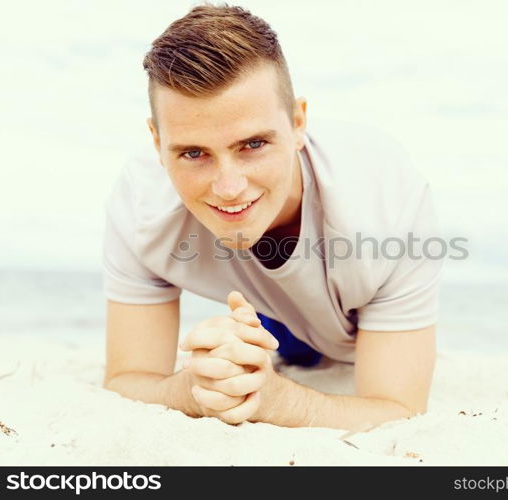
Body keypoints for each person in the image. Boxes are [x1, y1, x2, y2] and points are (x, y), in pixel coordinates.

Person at [102, 3, 442, 431]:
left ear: (298, 122)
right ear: (156, 140)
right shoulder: (141, 203)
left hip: (346, 318)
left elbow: (398, 408)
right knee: (254, 342)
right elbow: (124, 380)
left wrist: (279, 401)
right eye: (193, 153)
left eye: (253, 145)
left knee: (306, 349)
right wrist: (192, 390)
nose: (229, 187)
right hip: (256, 302)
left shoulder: (384, 197)